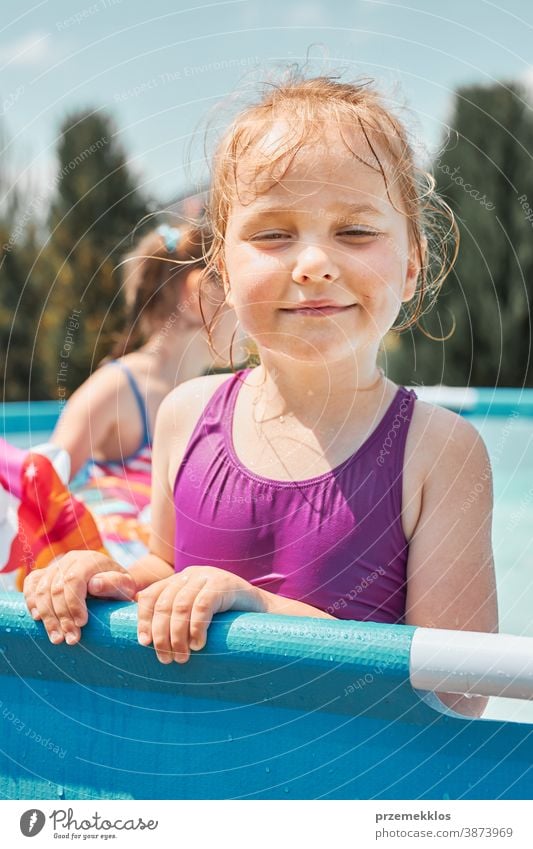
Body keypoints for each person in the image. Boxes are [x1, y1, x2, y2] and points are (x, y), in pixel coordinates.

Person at [24, 74, 498, 717]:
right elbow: (168, 576)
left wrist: (259, 608)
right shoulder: (185, 416)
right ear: (221, 267)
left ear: (413, 264)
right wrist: (107, 579)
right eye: (273, 235)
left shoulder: (441, 452)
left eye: (355, 232)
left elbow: (462, 690)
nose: (312, 264)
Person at [51, 221, 227, 480]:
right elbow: (39, 492)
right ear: (200, 295)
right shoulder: (116, 388)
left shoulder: (214, 397)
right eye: (232, 291)